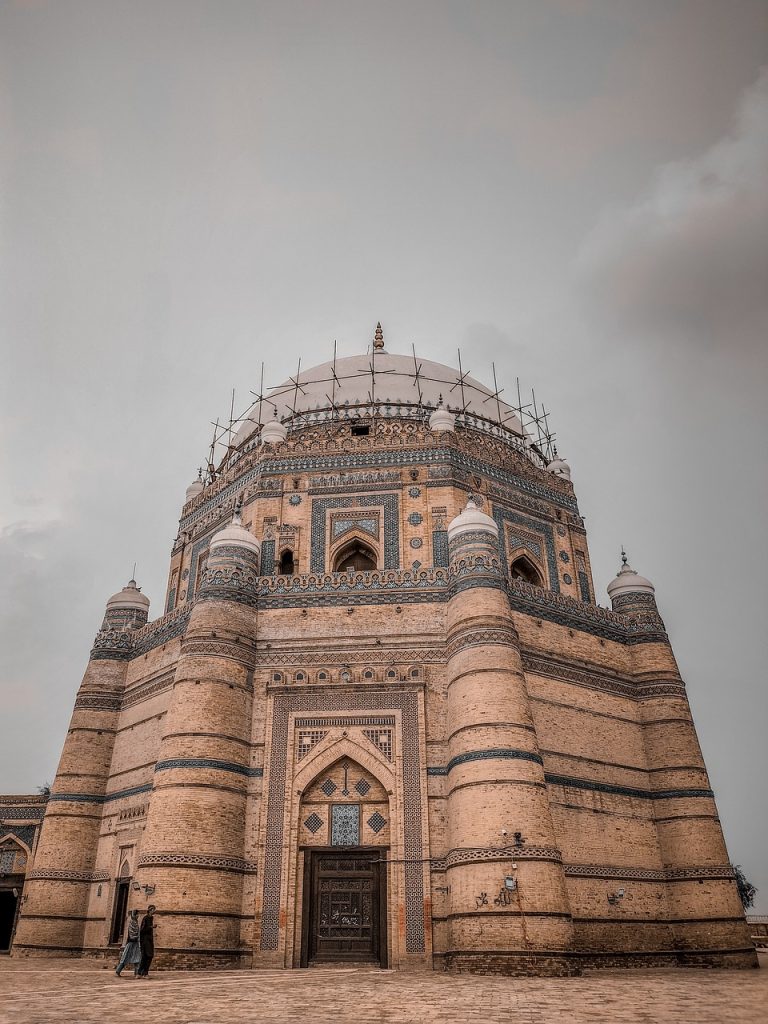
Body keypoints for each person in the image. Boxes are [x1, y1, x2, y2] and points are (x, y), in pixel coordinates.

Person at [114, 909, 141, 978]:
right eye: (137, 914)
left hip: (135, 943)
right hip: (130, 943)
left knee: (137, 958)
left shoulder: (135, 922)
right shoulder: (131, 922)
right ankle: (118, 971)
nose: (138, 916)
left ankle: (136, 973)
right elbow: (131, 933)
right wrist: (136, 936)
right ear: (134, 915)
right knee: (125, 957)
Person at [137, 905, 156, 978]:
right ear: (150, 910)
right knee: (146, 956)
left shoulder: (151, 918)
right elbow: (142, 930)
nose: (154, 911)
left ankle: (143, 972)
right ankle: (142, 973)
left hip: (149, 940)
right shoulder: (146, 918)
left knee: (148, 956)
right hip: (145, 941)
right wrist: (151, 927)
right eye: (153, 910)